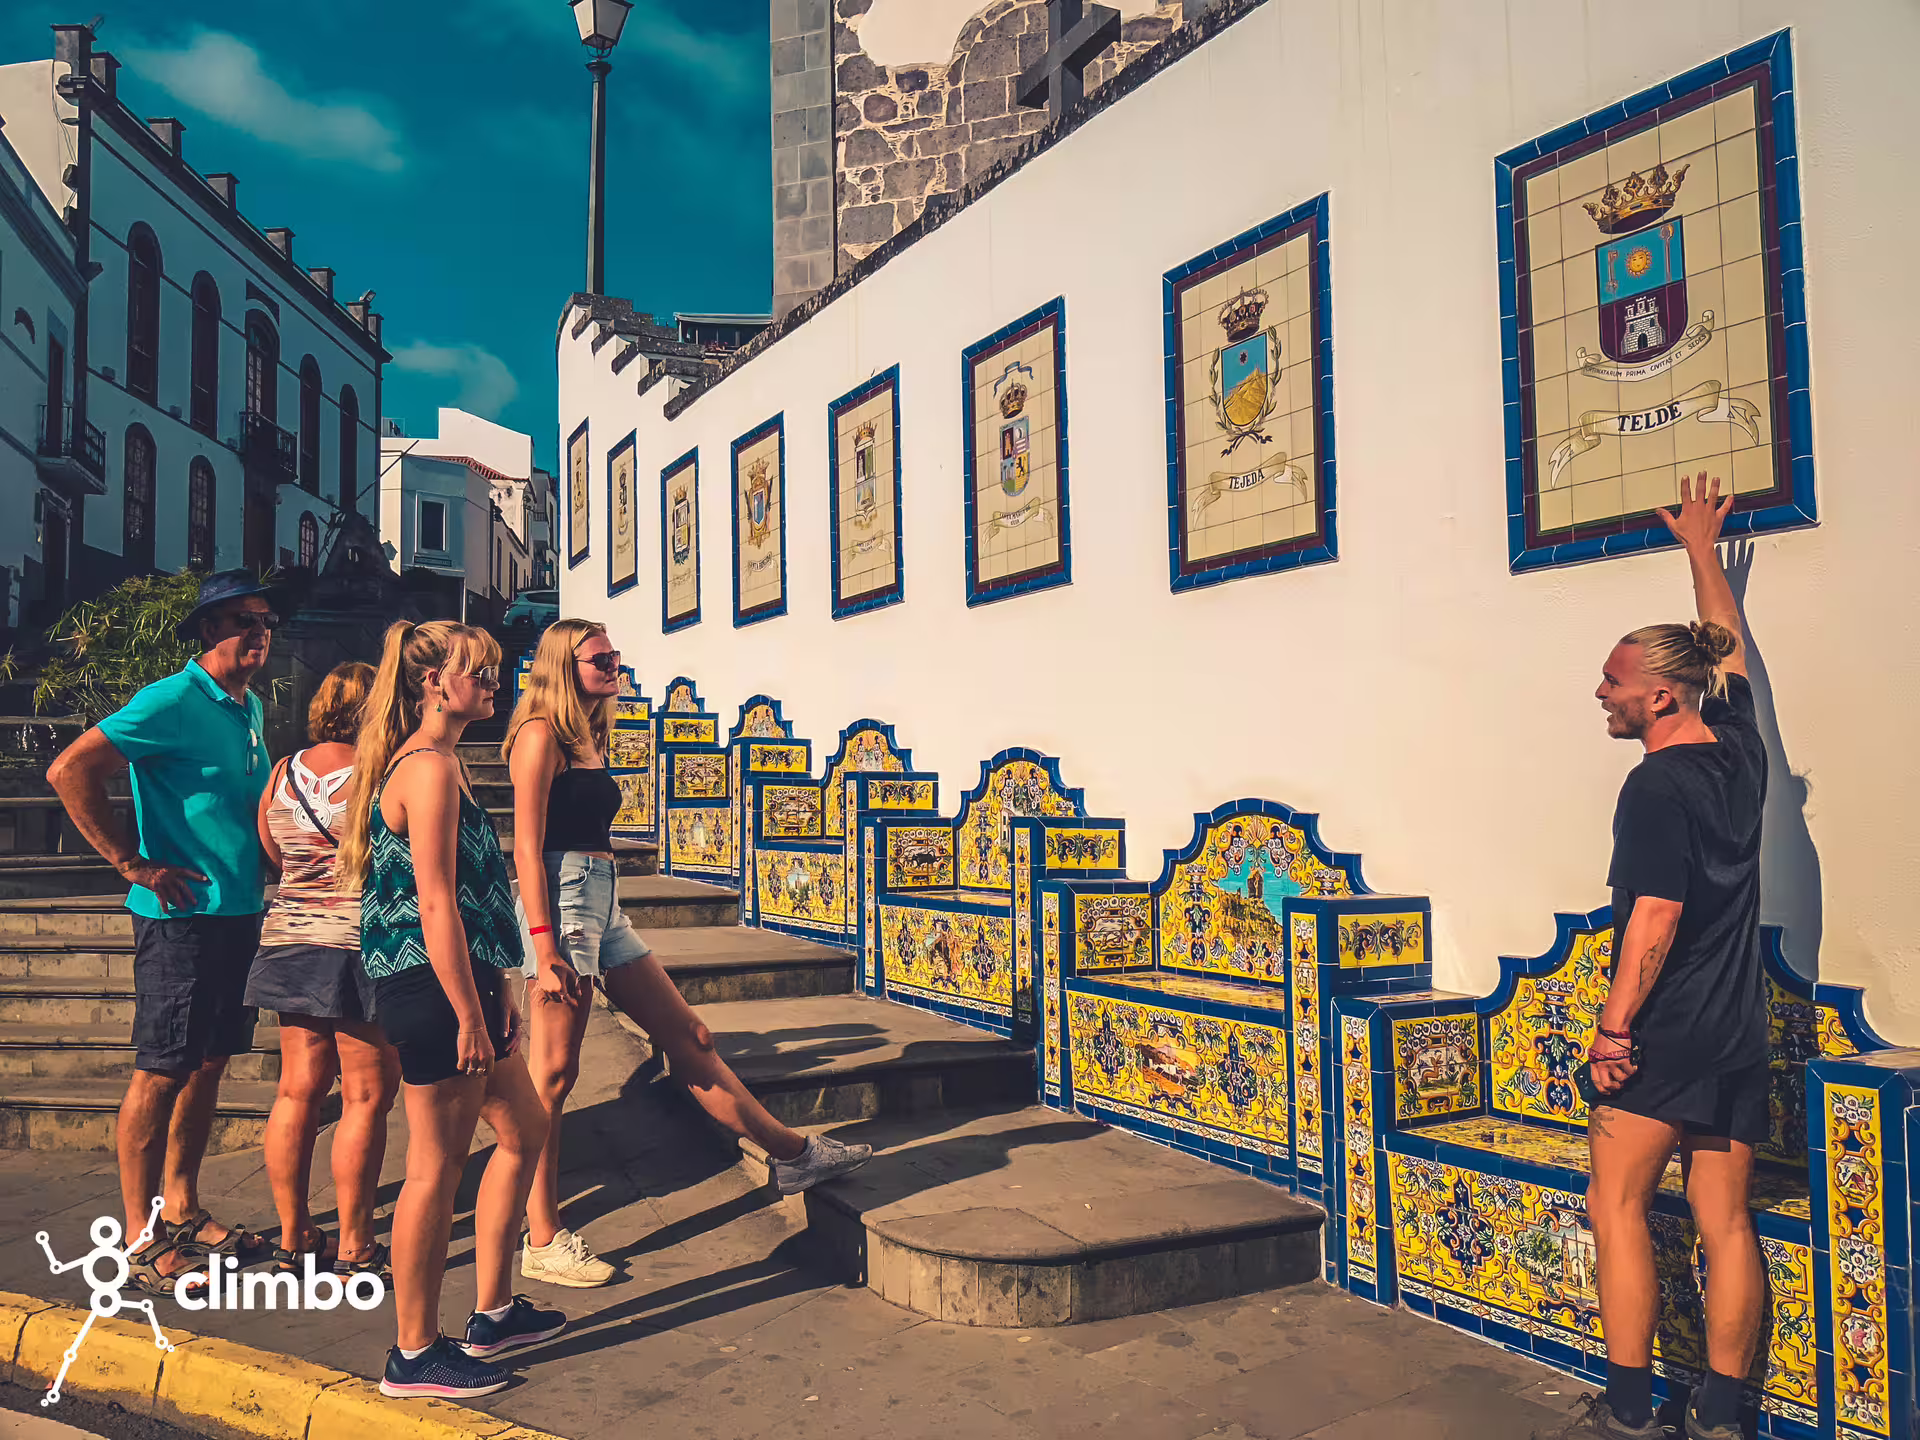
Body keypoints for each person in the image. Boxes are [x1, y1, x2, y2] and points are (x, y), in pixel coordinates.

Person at [506, 620, 871, 1287]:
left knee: (691, 1036)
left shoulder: (587, 733)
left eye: (616, 656)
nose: (615, 667)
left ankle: (793, 1155)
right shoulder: (539, 736)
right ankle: (542, 1237)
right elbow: (526, 847)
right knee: (552, 1075)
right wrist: (543, 942)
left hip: (601, 900)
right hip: (563, 904)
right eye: (600, 659)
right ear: (564, 665)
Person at [1543, 474, 1768, 1440]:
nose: (1602, 691)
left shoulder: (1656, 788)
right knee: (1727, 1222)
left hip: (1664, 1034)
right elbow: (1732, 650)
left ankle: (1631, 1410)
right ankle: (1720, 1416)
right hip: (1739, 1031)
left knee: (1617, 1206)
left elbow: (1653, 922)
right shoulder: (1742, 752)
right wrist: (1702, 555)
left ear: (1659, 694)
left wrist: (1611, 1031)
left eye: (1614, 680)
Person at [337, 621, 560, 1399]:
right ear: (432, 682)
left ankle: (493, 1312)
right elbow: (434, 903)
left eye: (496, 670)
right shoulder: (427, 768)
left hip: (459, 982)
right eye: (481, 671)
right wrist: (468, 1012)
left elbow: (470, 898)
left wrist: (499, 987)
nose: (495, 683)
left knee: (526, 1126)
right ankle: (414, 1352)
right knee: (434, 1169)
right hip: (431, 987)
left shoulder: (444, 761)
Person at [46, 570, 284, 1292]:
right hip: (180, 922)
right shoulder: (172, 699)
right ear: (209, 630)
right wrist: (131, 862)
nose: (259, 632)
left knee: (209, 1064)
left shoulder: (248, 705)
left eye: (265, 620)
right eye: (243, 620)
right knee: (160, 1070)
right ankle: (140, 1239)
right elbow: (69, 769)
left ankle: (182, 1208)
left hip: (236, 913)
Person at [244, 661, 399, 1279]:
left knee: (296, 1090)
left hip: (289, 938)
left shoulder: (282, 771)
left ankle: (293, 1237)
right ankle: (355, 1246)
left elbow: (274, 851)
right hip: (357, 943)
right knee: (365, 1095)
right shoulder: (381, 774)